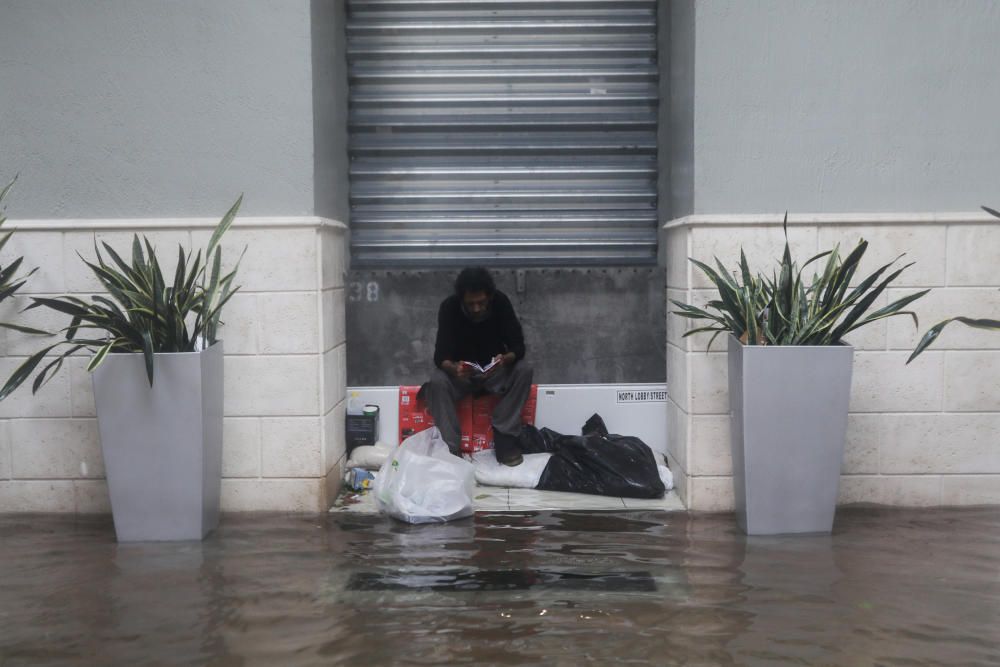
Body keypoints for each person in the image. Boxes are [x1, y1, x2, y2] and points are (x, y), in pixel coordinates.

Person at [425, 267, 533, 466]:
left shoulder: (501, 302)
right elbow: (440, 357)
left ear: (490, 298)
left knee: (524, 370)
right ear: (461, 300)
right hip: (462, 377)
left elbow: (518, 347)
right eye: (470, 304)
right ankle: (450, 448)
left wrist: (505, 359)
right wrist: (454, 369)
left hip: (495, 374)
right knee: (437, 380)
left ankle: (505, 439)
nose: (476, 308)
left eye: (481, 303)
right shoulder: (449, 307)